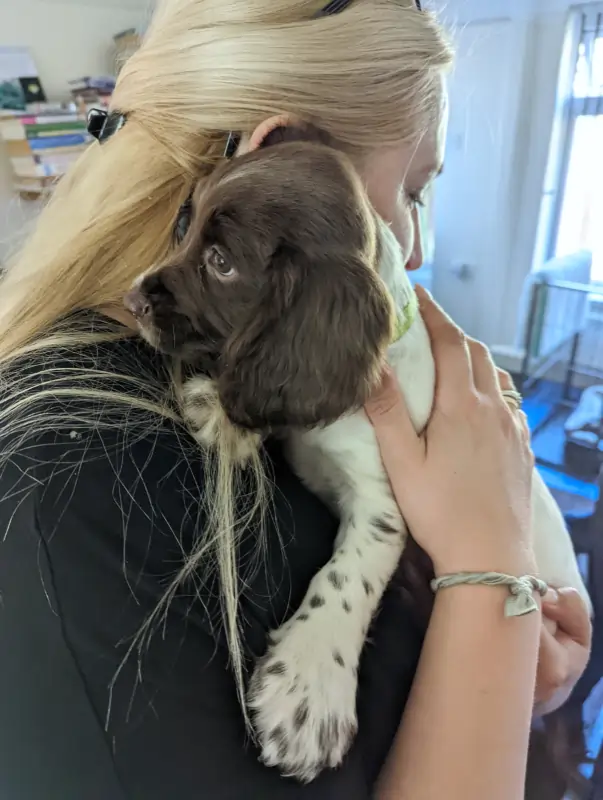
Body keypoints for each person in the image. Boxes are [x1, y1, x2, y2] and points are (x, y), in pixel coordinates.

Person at [0, 1, 590, 798]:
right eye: (412, 191)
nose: (414, 247)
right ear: (284, 156)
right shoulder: (94, 483)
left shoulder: (263, 363)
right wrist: (495, 580)